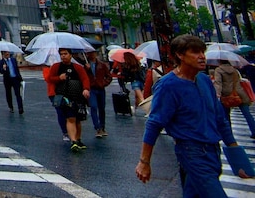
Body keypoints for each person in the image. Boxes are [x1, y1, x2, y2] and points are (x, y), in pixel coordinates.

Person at [137, 35, 247, 195]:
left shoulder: (204, 80)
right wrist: (144, 161)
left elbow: (219, 118)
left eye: (203, 51)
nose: (202, 56)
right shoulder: (168, 85)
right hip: (191, 151)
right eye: (195, 52)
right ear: (180, 55)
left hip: (213, 150)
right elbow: (154, 123)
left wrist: (235, 151)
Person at [46, 48, 91, 152]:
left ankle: (78, 139)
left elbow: (85, 79)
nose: (63, 56)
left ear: (70, 55)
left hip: (78, 96)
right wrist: (59, 78)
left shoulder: (77, 67)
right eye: (61, 54)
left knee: (78, 119)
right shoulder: (56, 67)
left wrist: (86, 89)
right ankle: (73, 140)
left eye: (65, 54)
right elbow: (49, 79)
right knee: (70, 118)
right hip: (64, 96)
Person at [213, 58, 255, 137]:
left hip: (227, 95)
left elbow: (218, 83)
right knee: (247, 114)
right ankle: (254, 130)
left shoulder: (218, 70)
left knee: (226, 115)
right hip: (240, 93)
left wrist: (217, 94)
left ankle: (229, 134)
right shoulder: (234, 70)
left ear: (220, 62)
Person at [85, 50, 113, 138]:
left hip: (100, 88)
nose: (92, 55)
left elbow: (109, 76)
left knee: (101, 108)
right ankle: (97, 127)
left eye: (93, 53)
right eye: (90, 53)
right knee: (93, 107)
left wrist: (103, 83)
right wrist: (86, 69)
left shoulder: (102, 64)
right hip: (91, 88)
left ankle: (102, 126)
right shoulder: (85, 65)